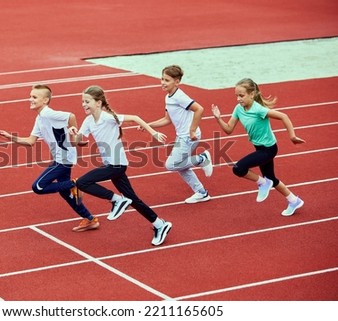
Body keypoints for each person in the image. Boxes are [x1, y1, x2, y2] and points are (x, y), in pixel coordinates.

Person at [70, 85, 172, 246]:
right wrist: (74, 134)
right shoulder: (88, 121)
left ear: (98, 102)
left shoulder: (108, 117)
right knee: (133, 199)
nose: (83, 104)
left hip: (117, 164)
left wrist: (154, 133)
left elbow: (136, 118)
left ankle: (116, 200)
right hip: (111, 165)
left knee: (82, 182)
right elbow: (78, 141)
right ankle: (160, 224)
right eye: (82, 101)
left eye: (87, 101)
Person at [0, 84, 99, 232]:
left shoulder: (48, 114)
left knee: (38, 187)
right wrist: (10, 137)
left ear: (45, 100)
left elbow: (71, 116)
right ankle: (90, 219)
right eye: (30, 96)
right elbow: (31, 142)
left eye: (34, 97)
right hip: (61, 158)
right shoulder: (40, 119)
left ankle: (75, 184)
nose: (30, 99)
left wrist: (75, 137)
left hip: (63, 159)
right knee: (64, 192)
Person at [211, 78, 305, 216]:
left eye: (241, 95)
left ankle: (262, 183)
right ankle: (293, 200)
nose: (238, 99)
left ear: (252, 94)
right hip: (259, 148)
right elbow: (229, 129)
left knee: (239, 168)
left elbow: (284, 116)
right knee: (272, 179)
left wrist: (292, 136)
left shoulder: (259, 110)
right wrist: (218, 118)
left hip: (268, 149)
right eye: (236, 95)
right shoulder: (238, 109)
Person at [145, 65, 213, 204]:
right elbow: (167, 119)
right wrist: (148, 125)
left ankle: (202, 159)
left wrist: (192, 130)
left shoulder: (180, 96)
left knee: (171, 165)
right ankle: (201, 192)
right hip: (182, 136)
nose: (163, 82)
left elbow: (199, 109)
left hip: (188, 137)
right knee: (181, 166)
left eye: (167, 80)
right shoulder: (168, 97)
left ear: (177, 82)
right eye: (162, 79)